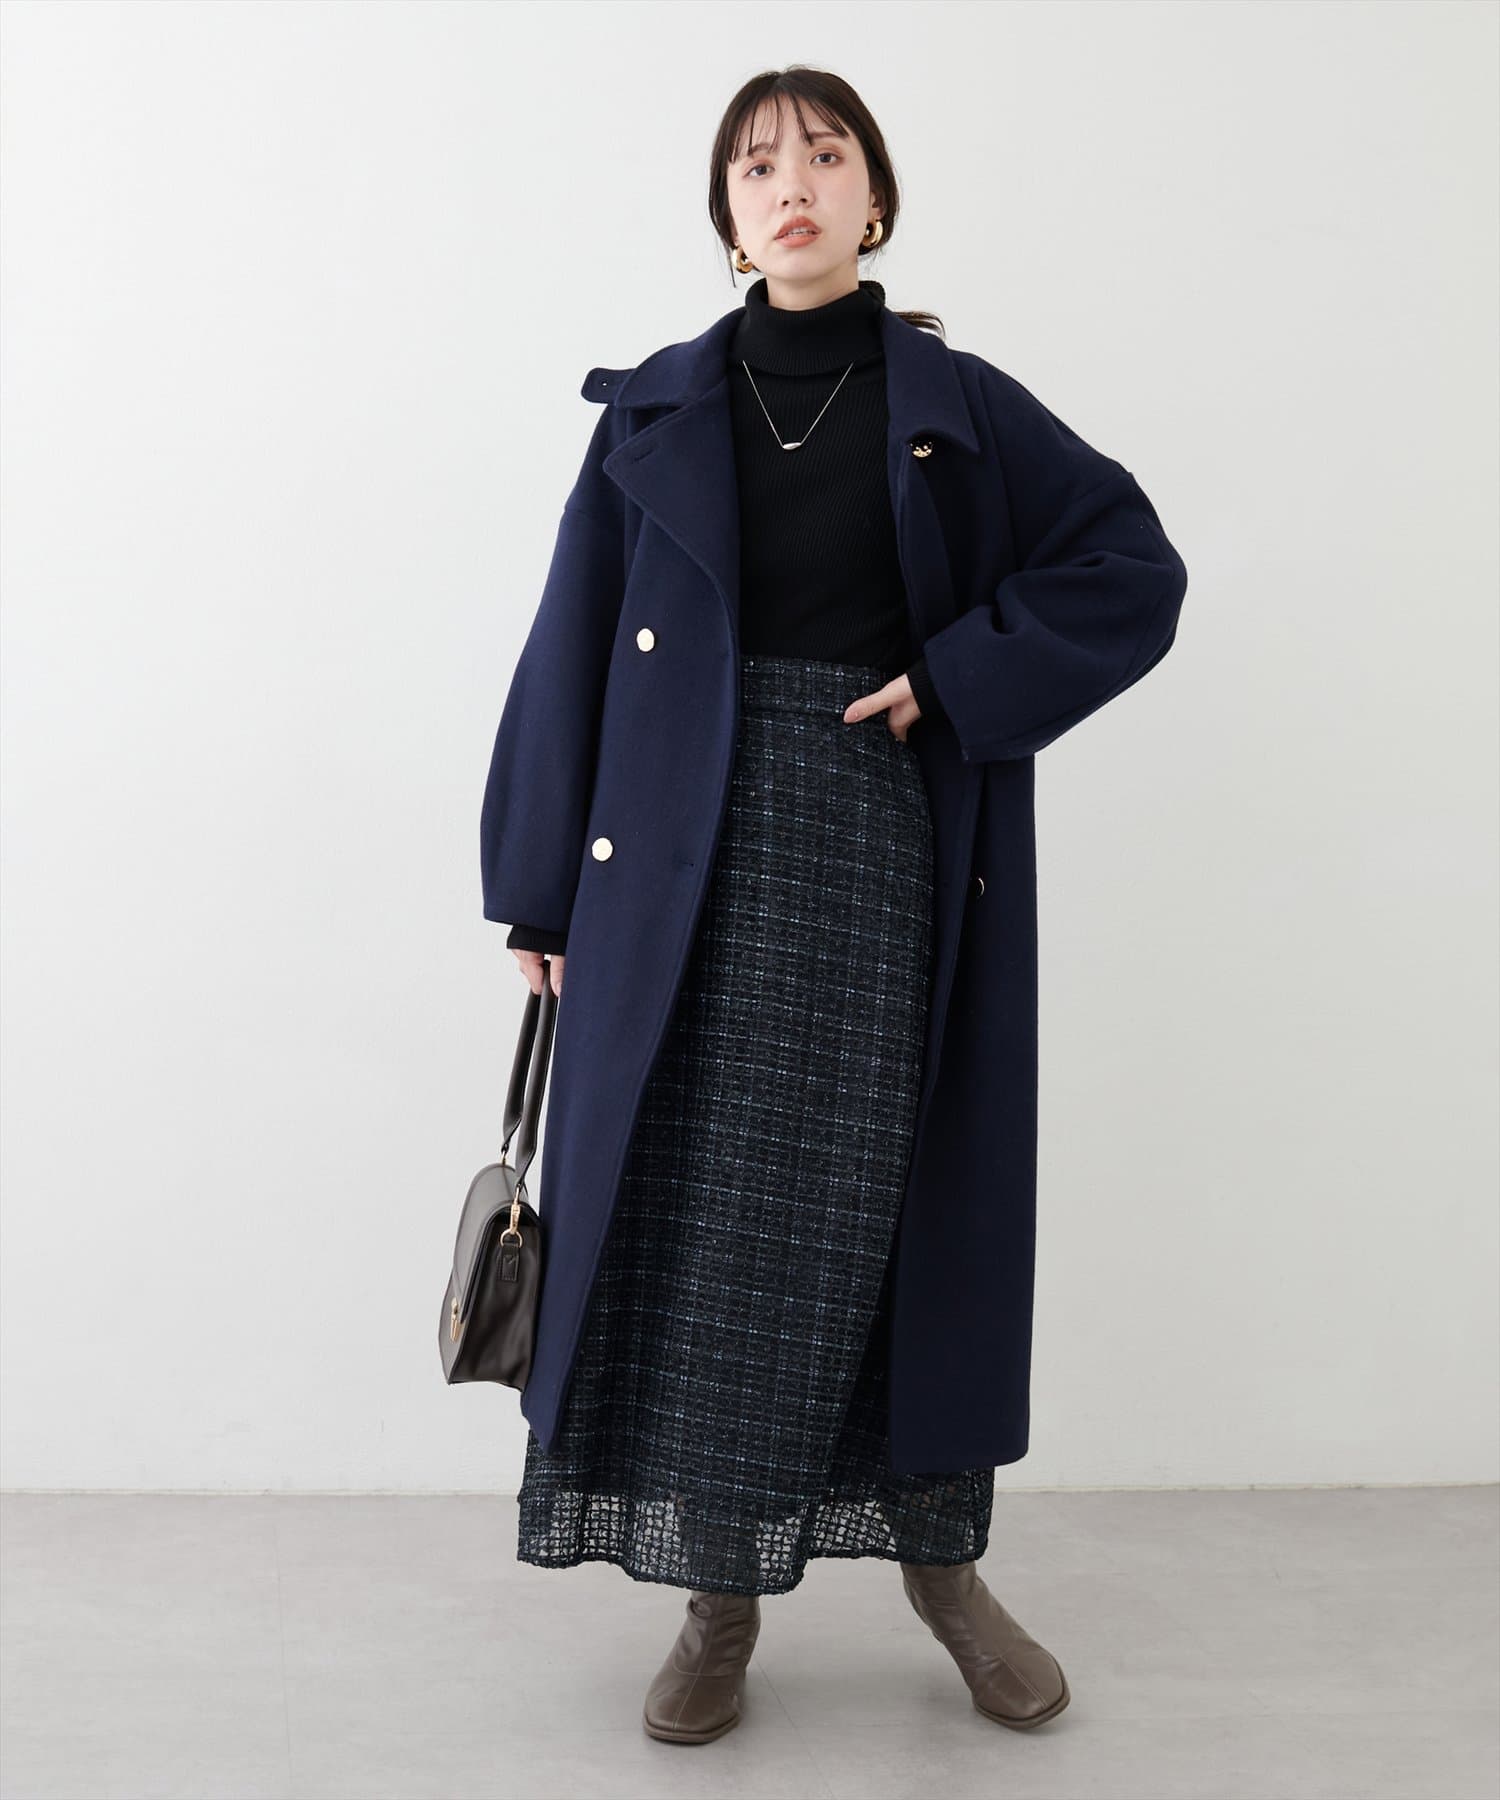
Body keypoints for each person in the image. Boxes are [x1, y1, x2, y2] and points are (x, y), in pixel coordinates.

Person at [483, 66, 1185, 1746]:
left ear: (876, 198)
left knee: (882, 1217)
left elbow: (1130, 567)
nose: (788, 182)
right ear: (727, 221)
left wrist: (957, 677)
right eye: (754, 165)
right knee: (707, 1226)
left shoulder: (959, 403)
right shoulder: (654, 413)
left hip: (878, 853)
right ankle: (718, 1600)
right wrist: (536, 889)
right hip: (677, 864)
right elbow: (569, 647)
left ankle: (946, 1577)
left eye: (822, 153)